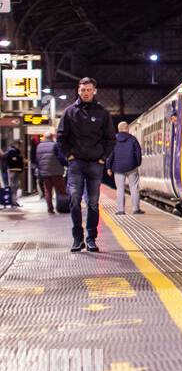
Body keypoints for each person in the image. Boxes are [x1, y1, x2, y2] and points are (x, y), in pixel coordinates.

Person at [55, 76, 115, 252]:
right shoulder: (69, 112)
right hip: (76, 165)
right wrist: (69, 156)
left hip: (96, 164)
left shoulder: (102, 113)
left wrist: (103, 157)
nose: (86, 93)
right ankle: (77, 238)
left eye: (89, 90)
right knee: (74, 200)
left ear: (94, 91)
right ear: (78, 91)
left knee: (93, 203)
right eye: (82, 90)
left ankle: (91, 239)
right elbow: (60, 137)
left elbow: (110, 139)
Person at [106, 121, 144, 215]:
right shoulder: (133, 139)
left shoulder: (113, 140)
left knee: (120, 189)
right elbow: (138, 152)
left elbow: (110, 154)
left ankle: (120, 210)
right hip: (132, 167)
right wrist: (137, 163)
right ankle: (136, 209)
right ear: (127, 129)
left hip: (118, 168)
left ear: (119, 130)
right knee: (134, 188)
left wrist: (108, 167)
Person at [34, 133, 68, 214]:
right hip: (56, 172)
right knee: (61, 191)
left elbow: (37, 160)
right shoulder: (55, 145)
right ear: (52, 137)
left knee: (48, 191)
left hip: (45, 173)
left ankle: (50, 209)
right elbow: (60, 157)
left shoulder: (39, 146)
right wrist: (66, 164)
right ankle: (62, 207)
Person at [3, 141, 24, 208]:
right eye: (19, 144)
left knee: (16, 185)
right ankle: (12, 201)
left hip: (15, 170)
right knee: (13, 186)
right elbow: (14, 160)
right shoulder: (12, 151)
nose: (20, 146)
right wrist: (19, 159)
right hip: (13, 170)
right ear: (16, 144)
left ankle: (14, 201)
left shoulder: (15, 151)